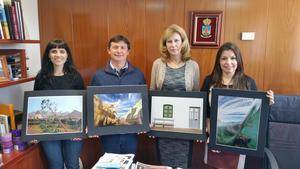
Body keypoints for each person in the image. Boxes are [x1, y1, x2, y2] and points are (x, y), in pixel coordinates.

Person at [201, 42, 274, 169]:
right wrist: (213, 137)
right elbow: (206, 112)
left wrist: (268, 103)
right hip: (214, 137)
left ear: (238, 60)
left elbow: (255, 113)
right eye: (224, 58)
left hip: (238, 142)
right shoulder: (209, 81)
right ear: (218, 61)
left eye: (233, 58)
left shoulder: (248, 82)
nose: (228, 62)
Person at [150, 24, 200, 168]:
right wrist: (152, 125)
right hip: (164, 123)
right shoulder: (158, 64)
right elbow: (153, 93)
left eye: (176, 40)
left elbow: (196, 98)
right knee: (164, 162)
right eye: (169, 41)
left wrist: (197, 128)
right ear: (165, 44)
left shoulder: (193, 66)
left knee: (183, 162)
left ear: (183, 42)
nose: (173, 45)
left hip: (185, 125)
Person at [90, 35, 146, 154]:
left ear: (128, 51)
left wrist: (144, 121)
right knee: (110, 164)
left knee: (130, 162)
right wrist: (91, 125)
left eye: (122, 47)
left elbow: (144, 101)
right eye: (115, 47)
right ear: (108, 50)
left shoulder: (138, 75)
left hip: (131, 132)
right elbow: (92, 104)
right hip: (108, 134)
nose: (119, 51)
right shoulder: (98, 76)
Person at [34, 39, 84, 169]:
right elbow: (35, 102)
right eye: (54, 51)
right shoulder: (41, 77)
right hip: (48, 131)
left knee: (72, 165)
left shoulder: (75, 76)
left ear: (67, 55)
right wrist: (32, 132)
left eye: (62, 51)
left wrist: (81, 128)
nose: (58, 54)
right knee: (55, 165)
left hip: (72, 131)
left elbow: (84, 103)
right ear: (49, 55)